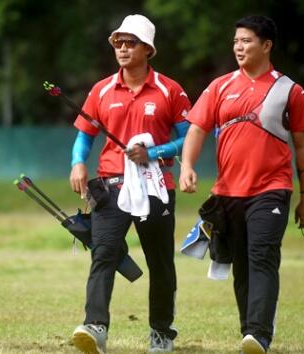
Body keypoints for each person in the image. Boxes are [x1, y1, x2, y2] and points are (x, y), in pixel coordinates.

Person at [179, 15, 304, 354]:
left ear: (266, 45)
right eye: (236, 40)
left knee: (262, 257)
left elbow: (302, 145)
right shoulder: (219, 86)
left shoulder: (290, 91)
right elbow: (196, 129)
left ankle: (259, 334)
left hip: (272, 188)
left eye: (247, 41)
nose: (239, 46)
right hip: (227, 193)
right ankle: (249, 334)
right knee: (241, 265)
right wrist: (188, 167)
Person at [69, 14, 192, 354]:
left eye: (130, 42)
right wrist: (78, 162)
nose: (122, 48)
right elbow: (84, 136)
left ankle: (161, 332)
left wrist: (156, 151)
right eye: (118, 43)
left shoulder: (171, 89)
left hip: (155, 187)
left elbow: (189, 138)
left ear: (148, 49)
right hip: (111, 187)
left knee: (160, 262)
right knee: (103, 254)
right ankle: (95, 326)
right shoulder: (102, 89)